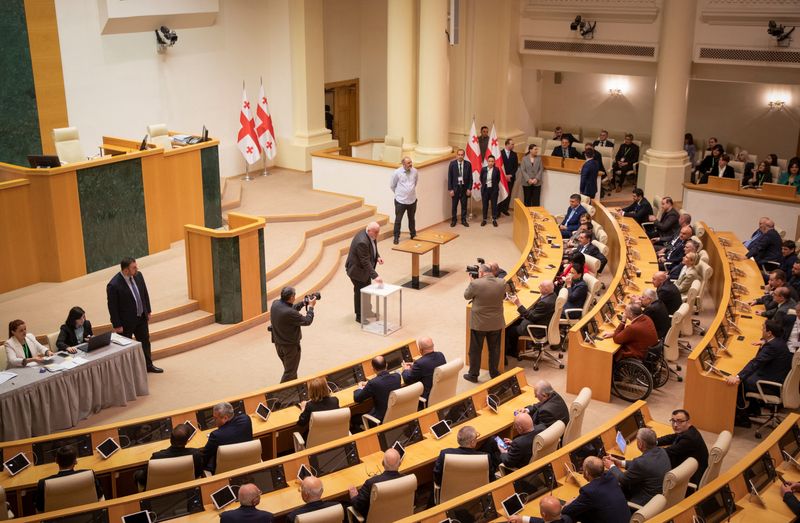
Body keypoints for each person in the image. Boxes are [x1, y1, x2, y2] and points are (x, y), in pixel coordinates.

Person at [725, 320, 793, 427]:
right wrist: (765, 342)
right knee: (749, 374)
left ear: (769, 333)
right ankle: (754, 409)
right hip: (777, 376)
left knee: (740, 383)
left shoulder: (772, 346)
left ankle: (742, 418)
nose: (761, 330)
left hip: (770, 384)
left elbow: (756, 362)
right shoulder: (778, 341)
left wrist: (738, 377)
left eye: (763, 328)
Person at [106, 257, 162, 373]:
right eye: (134, 267)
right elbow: (112, 307)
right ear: (126, 270)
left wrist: (148, 311)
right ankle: (128, 371)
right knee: (126, 347)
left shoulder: (138, 275)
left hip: (141, 317)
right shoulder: (113, 285)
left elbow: (144, 294)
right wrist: (116, 324)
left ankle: (148, 365)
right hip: (126, 322)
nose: (137, 269)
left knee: (145, 341)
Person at [605, 428, 671, 507]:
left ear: (640, 444)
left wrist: (611, 466)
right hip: (658, 496)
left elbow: (623, 479)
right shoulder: (661, 451)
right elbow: (640, 465)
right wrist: (620, 463)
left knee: (613, 487)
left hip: (645, 502)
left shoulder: (640, 463)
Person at [463, 264, 505, 382]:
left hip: (479, 323)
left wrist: (471, 282)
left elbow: (466, 296)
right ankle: (494, 372)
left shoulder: (476, 284)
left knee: (475, 350)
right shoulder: (502, 282)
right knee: (495, 349)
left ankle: (473, 375)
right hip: (496, 322)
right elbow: (502, 296)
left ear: (481, 273)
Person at [134, 423, 204, 490]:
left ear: (170, 438)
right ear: (186, 441)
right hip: (185, 489)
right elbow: (198, 474)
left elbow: (143, 479)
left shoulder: (157, 457)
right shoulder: (195, 454)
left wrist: (137, 474)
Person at [561, 456, 630, 523]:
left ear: (587, 473)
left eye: (583, 469)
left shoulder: (589, 491)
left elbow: (567, 511)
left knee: (567, 516)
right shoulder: (611, 477)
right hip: (625, 519)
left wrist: (566, 505)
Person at [35, 446, 104, 512]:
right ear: (75, 461)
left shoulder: (43, 483)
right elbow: (99, 495)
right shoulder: (89, 475)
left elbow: (40, 508)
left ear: (56, 460)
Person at [269, 287, 315, 383]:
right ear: (291, 297)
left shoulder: (275, 304)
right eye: (294, 296)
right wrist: (311, 307)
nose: (295, 297)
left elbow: (289, 309)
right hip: (290, 347)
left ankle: (294, 388)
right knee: (290, 373)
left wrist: (302, 303)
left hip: (278, 344)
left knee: (290, 369)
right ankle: (281, 394)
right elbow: (307, 321)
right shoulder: (290, 313)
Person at [657, 409, 709, 488]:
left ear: (688, 422)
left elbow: (669, 451)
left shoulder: (689, 439)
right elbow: (672, 437)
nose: (675, 425)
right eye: (673, 421)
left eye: (679, 421)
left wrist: (650, 449)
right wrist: (655, 441)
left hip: (692, 478)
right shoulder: (689, 430)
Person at [345, 222, 384, 323]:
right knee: (360, 293)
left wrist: (377, 256)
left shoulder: (371, 235)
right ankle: (359, 316)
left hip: (364, 271)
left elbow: (372, 248)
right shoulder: (362, 241)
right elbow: (365, 261)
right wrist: (375, 276)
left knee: (367, 291)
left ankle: (367, 311)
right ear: (369, 230)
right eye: (376, 232)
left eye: (378, 232)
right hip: (357, 271)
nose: (377, 234)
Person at [506, 280, 556, 358]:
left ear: (546, 290)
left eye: (540, 287)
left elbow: (531, 316)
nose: (538, 288)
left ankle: (511, 351)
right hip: (544, 322)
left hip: (537, 329)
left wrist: (518, 304)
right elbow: (535, 313)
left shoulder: (545, 303)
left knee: (510, 329)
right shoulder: (553, 295)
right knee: (517, 321)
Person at [348, 449, 404, 518]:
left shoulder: (371, 483)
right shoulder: (408, 480)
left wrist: (353, 497)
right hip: (401, 518)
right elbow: (414, 500)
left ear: (383, 463)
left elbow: (358, 506)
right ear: (400, 464)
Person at [202, 402, 253, 474]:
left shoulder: (216, 435)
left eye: (215, 418)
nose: (214, 421)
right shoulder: (246, 420)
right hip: (247, 463)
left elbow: (204, 458)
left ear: (225, 418)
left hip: (224, 471)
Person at [353, 355, 402, 425]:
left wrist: (360, 387)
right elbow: (384, 381)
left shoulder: (373, 383)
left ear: (373, 369)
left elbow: (357, 398)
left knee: (354, 418)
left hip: (380, 419)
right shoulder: (397, 377)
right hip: (397, 414)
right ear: (387, 365)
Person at [401, 336, 446, 401]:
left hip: (427, 398)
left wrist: (405, 369)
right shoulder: (440, 355)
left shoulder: (419, 364)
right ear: (433, 346)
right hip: (442, 392)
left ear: (420, 350)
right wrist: (414, 367)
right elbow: (430, 366)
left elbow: (407, 380)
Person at [390, 156, 418, 244]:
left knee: (412, 219)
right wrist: (400, 194)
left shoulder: (415, 171)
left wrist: (409, 192)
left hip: (412, 200)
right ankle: (396, 237)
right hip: (400, 201)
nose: (411, 164)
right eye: (408, 163)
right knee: (398, 220)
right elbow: (392, 185)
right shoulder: (397, 172)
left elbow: (415, 182)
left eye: (411, 162)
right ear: (403, 164)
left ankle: (413, 234)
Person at [447, 149, 472, 227]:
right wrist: (450, 189)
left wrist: (469, 188)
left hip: (464, 188)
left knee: (464, 206)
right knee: (454, 206)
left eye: (462, 155)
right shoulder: (452, 164)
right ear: (456, 155)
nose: (460, 156)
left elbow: (470, 178)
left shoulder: (468, 164)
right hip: (455, 189)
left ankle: (463, 220)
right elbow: (450, 177)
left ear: (464, 155)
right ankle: (454, 220)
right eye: (459, 154)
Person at [499, 139, 519, 216]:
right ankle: (499, 209)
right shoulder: (500, 153)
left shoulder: (514, 154)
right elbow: (499, 166)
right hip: (501, 177)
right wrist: (504, 175)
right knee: (500, 193)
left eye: (513, 144)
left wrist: (510, 175)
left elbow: (516, 167)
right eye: (512, 144)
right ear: (507, 144)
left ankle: (505, 209)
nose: (513, 146)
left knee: (508, 193)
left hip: (510, 177)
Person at [480, 155, 501, 227]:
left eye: (492, 161)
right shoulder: (483, 169)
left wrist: (493, 186)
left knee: (494, 205)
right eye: (489, 161)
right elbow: (481, 179)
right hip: (485, 189)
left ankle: (494, 219)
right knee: (485, 205)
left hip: (493, 190)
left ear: (494, 162)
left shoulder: (497, 170)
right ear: (487, 162)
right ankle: (484, 219)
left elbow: (498, 179)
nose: (491, 163)